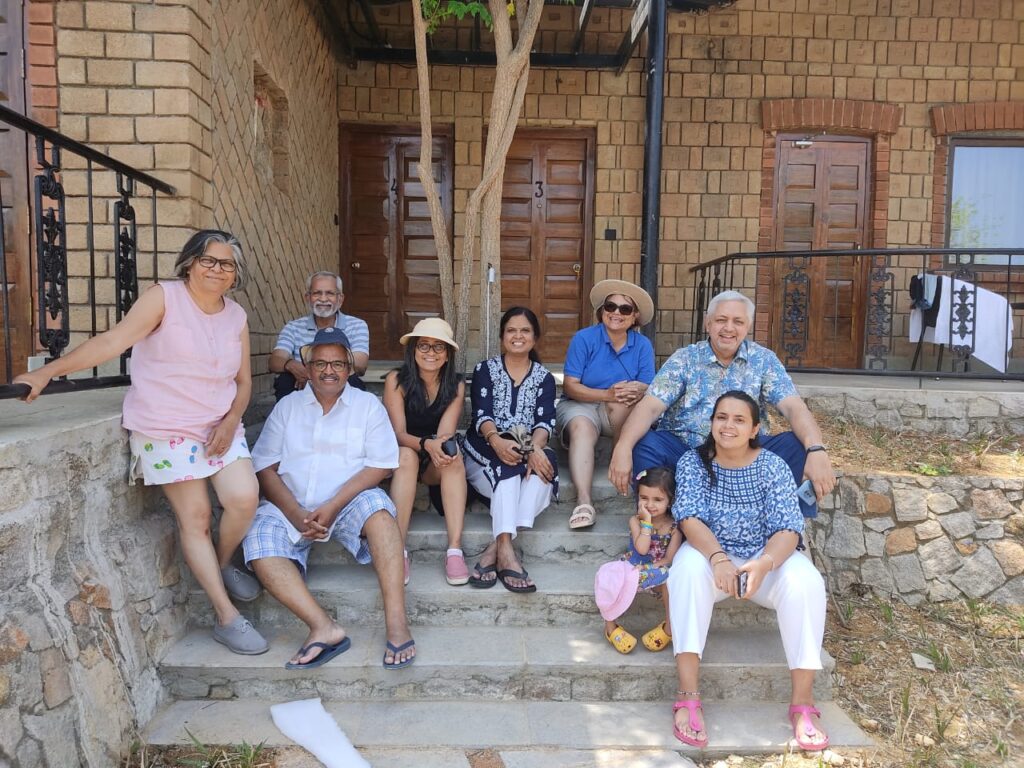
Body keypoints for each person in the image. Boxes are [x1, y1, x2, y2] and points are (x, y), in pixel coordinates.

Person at [14, 230, 268, 655]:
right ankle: (226, 616)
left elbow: (243, 382)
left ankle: (223, 562)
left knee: (244, 499)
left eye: (226, 264)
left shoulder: (235, 315)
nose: (216, 270)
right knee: (197, 517)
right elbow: (113, 342)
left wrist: (231, 421)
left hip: (220, 425)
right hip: (165, 426)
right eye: (208, 260)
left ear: (235, 274)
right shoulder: (164, 298)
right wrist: (47, 372)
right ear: (189, 263)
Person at [243, 327, 415, 670]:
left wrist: (333, 506)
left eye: (337, 364)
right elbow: (264, 467)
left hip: (347, 502)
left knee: (380, 512)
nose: (329, 371)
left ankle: (397, 622)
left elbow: (381, 465)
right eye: (320, 363)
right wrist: (295, 513)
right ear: (307, 369)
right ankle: (323, 627)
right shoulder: (288, 407)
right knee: (258, 542)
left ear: (349, 369)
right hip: (292, 503)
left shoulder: (367, 406)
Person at [667, 391, 828, 751]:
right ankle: (688, 696)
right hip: (711, 558)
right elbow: (689, 518)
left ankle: (802, 704)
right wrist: (718, 558)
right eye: (721, 417)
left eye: (739, 420)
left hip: (764, 560)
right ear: (711, 423)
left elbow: (789, 528)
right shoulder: (693, 462)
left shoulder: (773, 466)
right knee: (685, 571)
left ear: (755, 429)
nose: (728, 425)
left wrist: (765, 562)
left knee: (807, 582)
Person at [608, 290, 836, 512]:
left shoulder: (763, 360)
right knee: (645, 443)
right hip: (688, 453)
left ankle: (787, 525)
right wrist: (622, 447)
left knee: (797, 445)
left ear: (748, 326)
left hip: (747, 455)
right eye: (721, 320)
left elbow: (794, 407)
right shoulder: (685, 358)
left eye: (738, 321)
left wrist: (817, 449)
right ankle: (662, 524)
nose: (728, 328)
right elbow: (649, 407)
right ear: (708, 324)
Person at [463, 307, 557, 593]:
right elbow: (482, 416)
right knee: (507, 468)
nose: (518, 336)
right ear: (502, 336)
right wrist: (497, 441)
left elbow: (544, 423)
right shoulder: (485, 370)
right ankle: (507, 553)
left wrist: (533, 449)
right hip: (485, 446)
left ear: (535, 337)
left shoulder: (544, 378)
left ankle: (499, 547)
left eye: (525, 330)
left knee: (545, 469)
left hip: (526, 447)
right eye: (511, 330)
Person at [558, 279, 656, 530]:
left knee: (624, 402)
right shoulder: (584, 338)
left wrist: (638, 389)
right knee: (582, 427)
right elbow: (570, 386)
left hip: (618, 411)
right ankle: (584, 501)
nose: (616, 313)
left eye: (625, 309)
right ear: (602, 311)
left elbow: (650, 386)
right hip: (580, 404)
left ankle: (618, 460)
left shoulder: (642, 345)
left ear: (634, 316)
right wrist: (608, 394)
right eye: (610, 306)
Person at [382, 317, 469, 587]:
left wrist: (436, 447)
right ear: (413, 350)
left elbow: (445, 434)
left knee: (453, 457)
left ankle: (454, 550)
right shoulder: (396, 380)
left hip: (433, 459)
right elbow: (397, 433)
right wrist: (425, 444)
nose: (431, 352)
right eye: (424, 345)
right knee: (407, 456)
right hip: (403, 455)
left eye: (438, 347)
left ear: (448, 354)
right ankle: (397, 549)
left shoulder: (456, 384)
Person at [594, 466, 682, 655]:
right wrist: (647, 523)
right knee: (607, 577)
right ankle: (610, 628)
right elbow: (641, 549)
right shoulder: (636, 521)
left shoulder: (674, 526)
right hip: (634, 566)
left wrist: (651, 566)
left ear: (670, 500)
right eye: (644, 498)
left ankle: (669, 628)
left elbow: (669, 558)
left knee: (671, 580)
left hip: (658, 570)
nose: (650, 505)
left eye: (658, 499)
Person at [269, 271, 369, 398]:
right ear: (307, 297)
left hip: (338, 381)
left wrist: (317, 371)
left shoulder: (357, 325)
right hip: (302, 387)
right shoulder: (293, 327)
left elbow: (360, 365)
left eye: (330, 293)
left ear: (340, 299)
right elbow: (275, 361)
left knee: (352, 380)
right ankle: (289, 411)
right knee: (285, 380)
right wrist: (290, 364)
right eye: (317, 293)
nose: (323, 299)